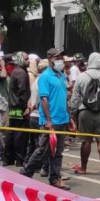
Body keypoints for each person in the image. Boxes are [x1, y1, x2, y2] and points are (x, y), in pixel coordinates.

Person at [21, 48, 72, 190]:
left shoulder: (62, 76)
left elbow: (64, 98)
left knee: (58, 151)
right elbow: (44, 100)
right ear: (50, 59)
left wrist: (70, 116)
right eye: (58, 57)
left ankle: (54, 178)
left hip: (62, 119)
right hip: (51, 121)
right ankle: (26, 172)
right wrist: (48, 120)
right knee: (43, 150)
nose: (61, 60)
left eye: (61, 57)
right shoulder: (45, 77)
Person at [72, 52, 100, 178]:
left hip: (84, 112)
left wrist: (73, 112)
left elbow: (75, 97)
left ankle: (83, 167)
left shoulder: (82, 77)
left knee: (86, 141)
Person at [4, 52, 31, 166]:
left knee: (12, 132)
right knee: (21, 134)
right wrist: (26, 107)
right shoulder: (21, 73)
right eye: (26, 59)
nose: (28, 61)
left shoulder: (16, 71)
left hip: (13, 106)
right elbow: (23, 92)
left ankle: (8, 158)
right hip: (19, 107)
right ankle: (20, 159)